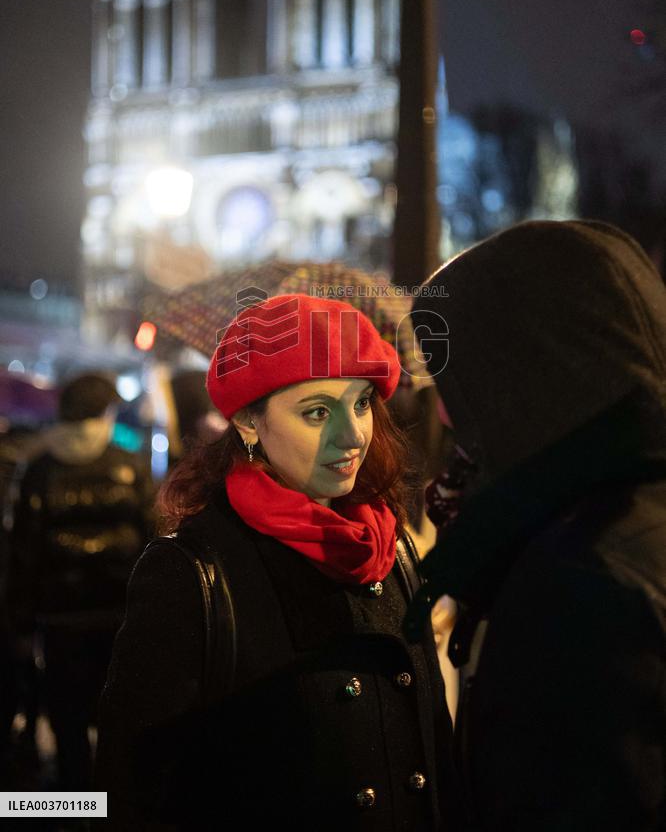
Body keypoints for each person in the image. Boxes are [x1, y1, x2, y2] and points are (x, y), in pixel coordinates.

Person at [95, 294, 460, 831]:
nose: (353, 434)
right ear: (247, 420)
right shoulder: (194, 572)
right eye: (317, 412)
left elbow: (433, 752)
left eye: (361, 403)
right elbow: (124, 788)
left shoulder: (390, 547)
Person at [404, 220, 666, 831]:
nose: (445, 411)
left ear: (527, 372)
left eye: (458, 380)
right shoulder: (622, 515)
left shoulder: (582, 581)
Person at [8, 372, 152, 790]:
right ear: (105, 412)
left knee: (67, 720)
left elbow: (24, 553)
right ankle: (114, 806)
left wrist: (20, 624)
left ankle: (75, 806)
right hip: (119, 618)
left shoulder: (39, 470)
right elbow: (152, 544)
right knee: (118, 716)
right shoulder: (130, 465)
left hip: (60, 620)